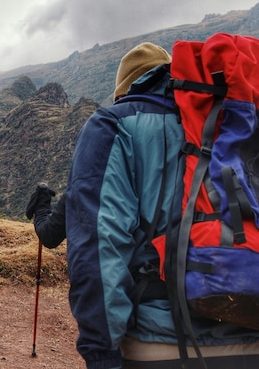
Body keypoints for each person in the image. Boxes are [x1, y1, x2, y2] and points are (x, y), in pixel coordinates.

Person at [30, 42, 259, 368]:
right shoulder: (228, 125)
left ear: (123, 90)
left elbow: (98, 249)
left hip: (162, 344)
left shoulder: (115, 125)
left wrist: (101, 355)